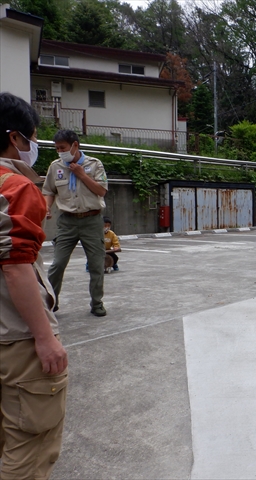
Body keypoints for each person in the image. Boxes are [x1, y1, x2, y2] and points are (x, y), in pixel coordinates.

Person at [0, 92, 69, 479]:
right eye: (33, 138)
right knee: (30, 448)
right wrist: (44, 337)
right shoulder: (15, 186)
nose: (35, 147)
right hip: (16, 338)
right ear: (16, 139)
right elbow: (16, 264)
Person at [43, 129, 109, 316]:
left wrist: (81, 174)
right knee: (58, 264)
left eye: (62, 148)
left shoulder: (94, 164)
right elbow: (49, 190)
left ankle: (97, 303)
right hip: (67, 222)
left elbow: (102, 191)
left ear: (75, 145)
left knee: (96, 264)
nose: (60, 152)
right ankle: (51, 303)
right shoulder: (55, 167)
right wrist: (47, 206)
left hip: (92, 220)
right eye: (57, 149)